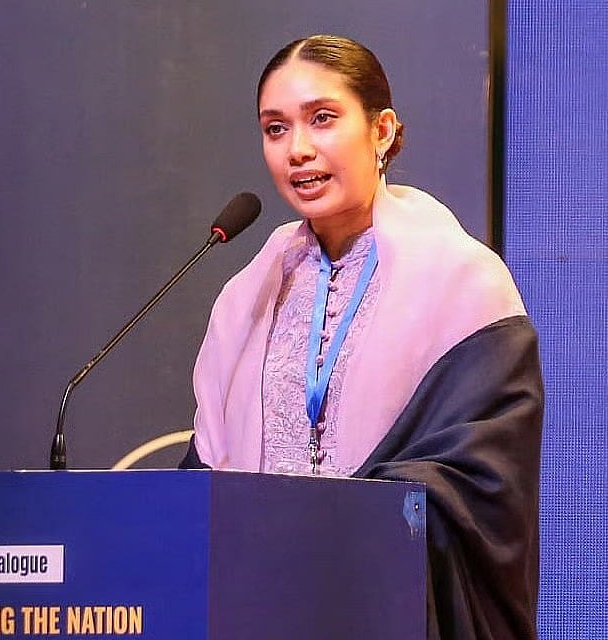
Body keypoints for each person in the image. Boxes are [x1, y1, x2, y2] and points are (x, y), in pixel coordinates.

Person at [181, 35, 543, 640]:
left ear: (382, 131)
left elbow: (482, 485)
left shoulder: (463, 283)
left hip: (388, 610)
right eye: (275, 129)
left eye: (322, 119)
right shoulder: (246, 299)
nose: (298, 149)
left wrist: (335, 524)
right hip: (256, 609)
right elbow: (203, 481)